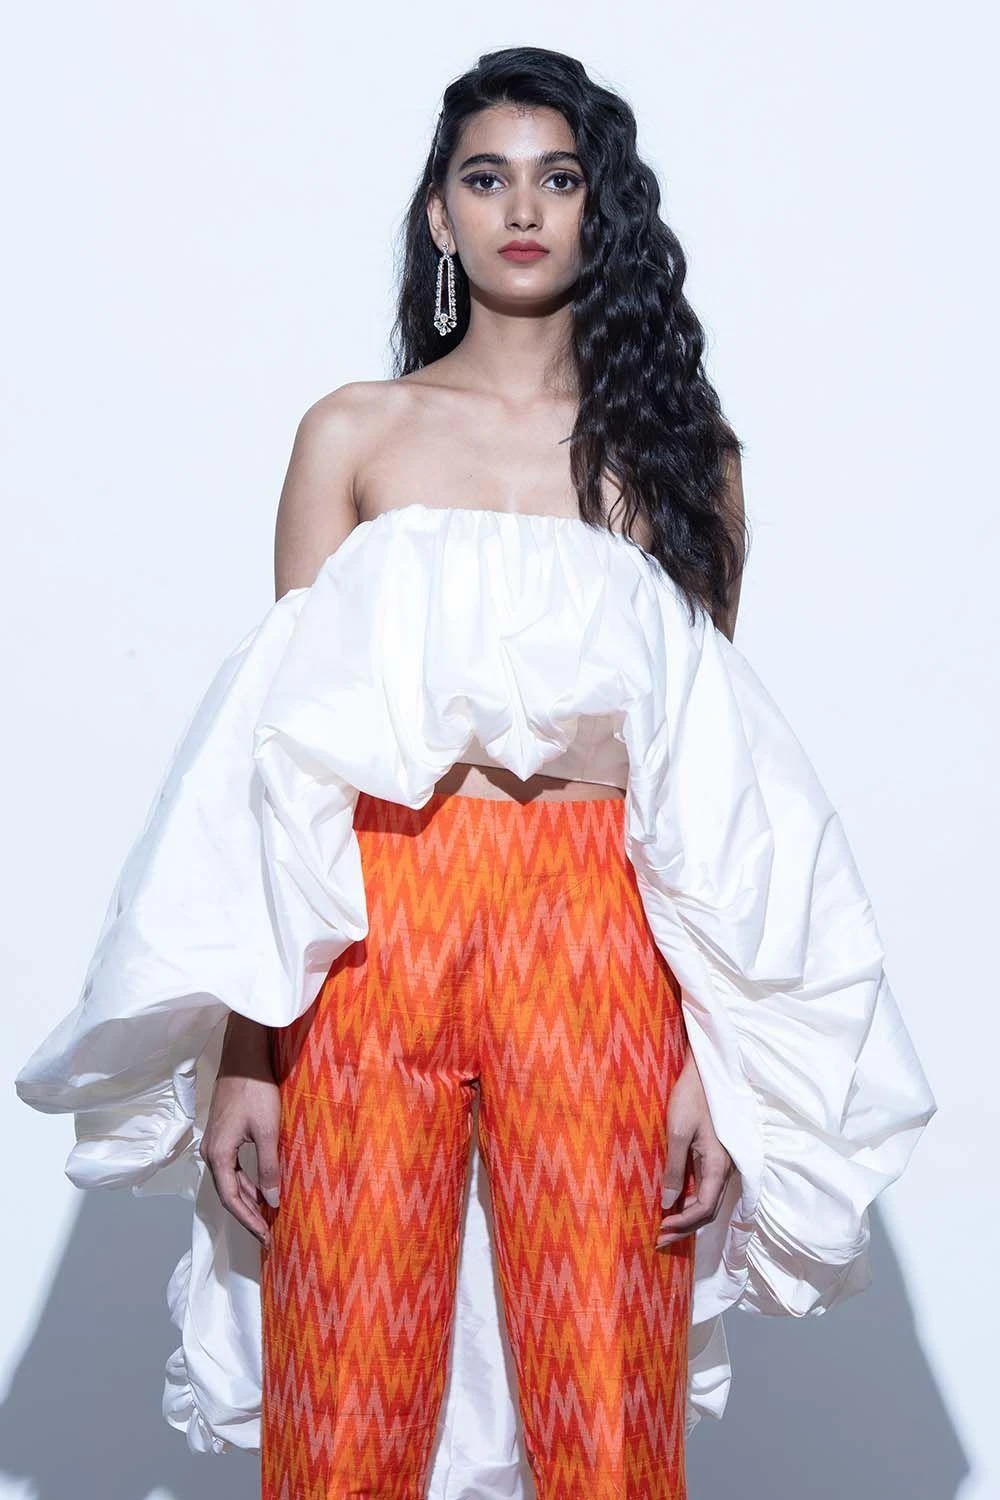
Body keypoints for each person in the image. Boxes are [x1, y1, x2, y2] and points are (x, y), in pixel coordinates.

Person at [15, 44, 937, 1500]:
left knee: (607, 1389)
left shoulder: (679, 454)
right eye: (486, 178)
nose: (522, 207)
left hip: (597, 927)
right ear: (440, 214)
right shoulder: (354, 434)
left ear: (597, 212)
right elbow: (278, 766)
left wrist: (713, 1056)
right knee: (343, 1374)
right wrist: (251, 1047)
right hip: (373, 921)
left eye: (558, 179)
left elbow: (710, 789)